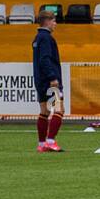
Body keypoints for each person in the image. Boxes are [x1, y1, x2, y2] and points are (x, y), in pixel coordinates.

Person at [33, 10, 65, 152]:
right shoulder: (46, 38)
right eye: (54, 21)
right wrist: (52, 77)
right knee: (59, 110)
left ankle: (41, 144)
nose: (55, 24)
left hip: (40, 80)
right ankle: (51, 141)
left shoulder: (37, 38)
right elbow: (45, 59)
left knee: (44, 111)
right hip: (49, 80)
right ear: (47, 21)